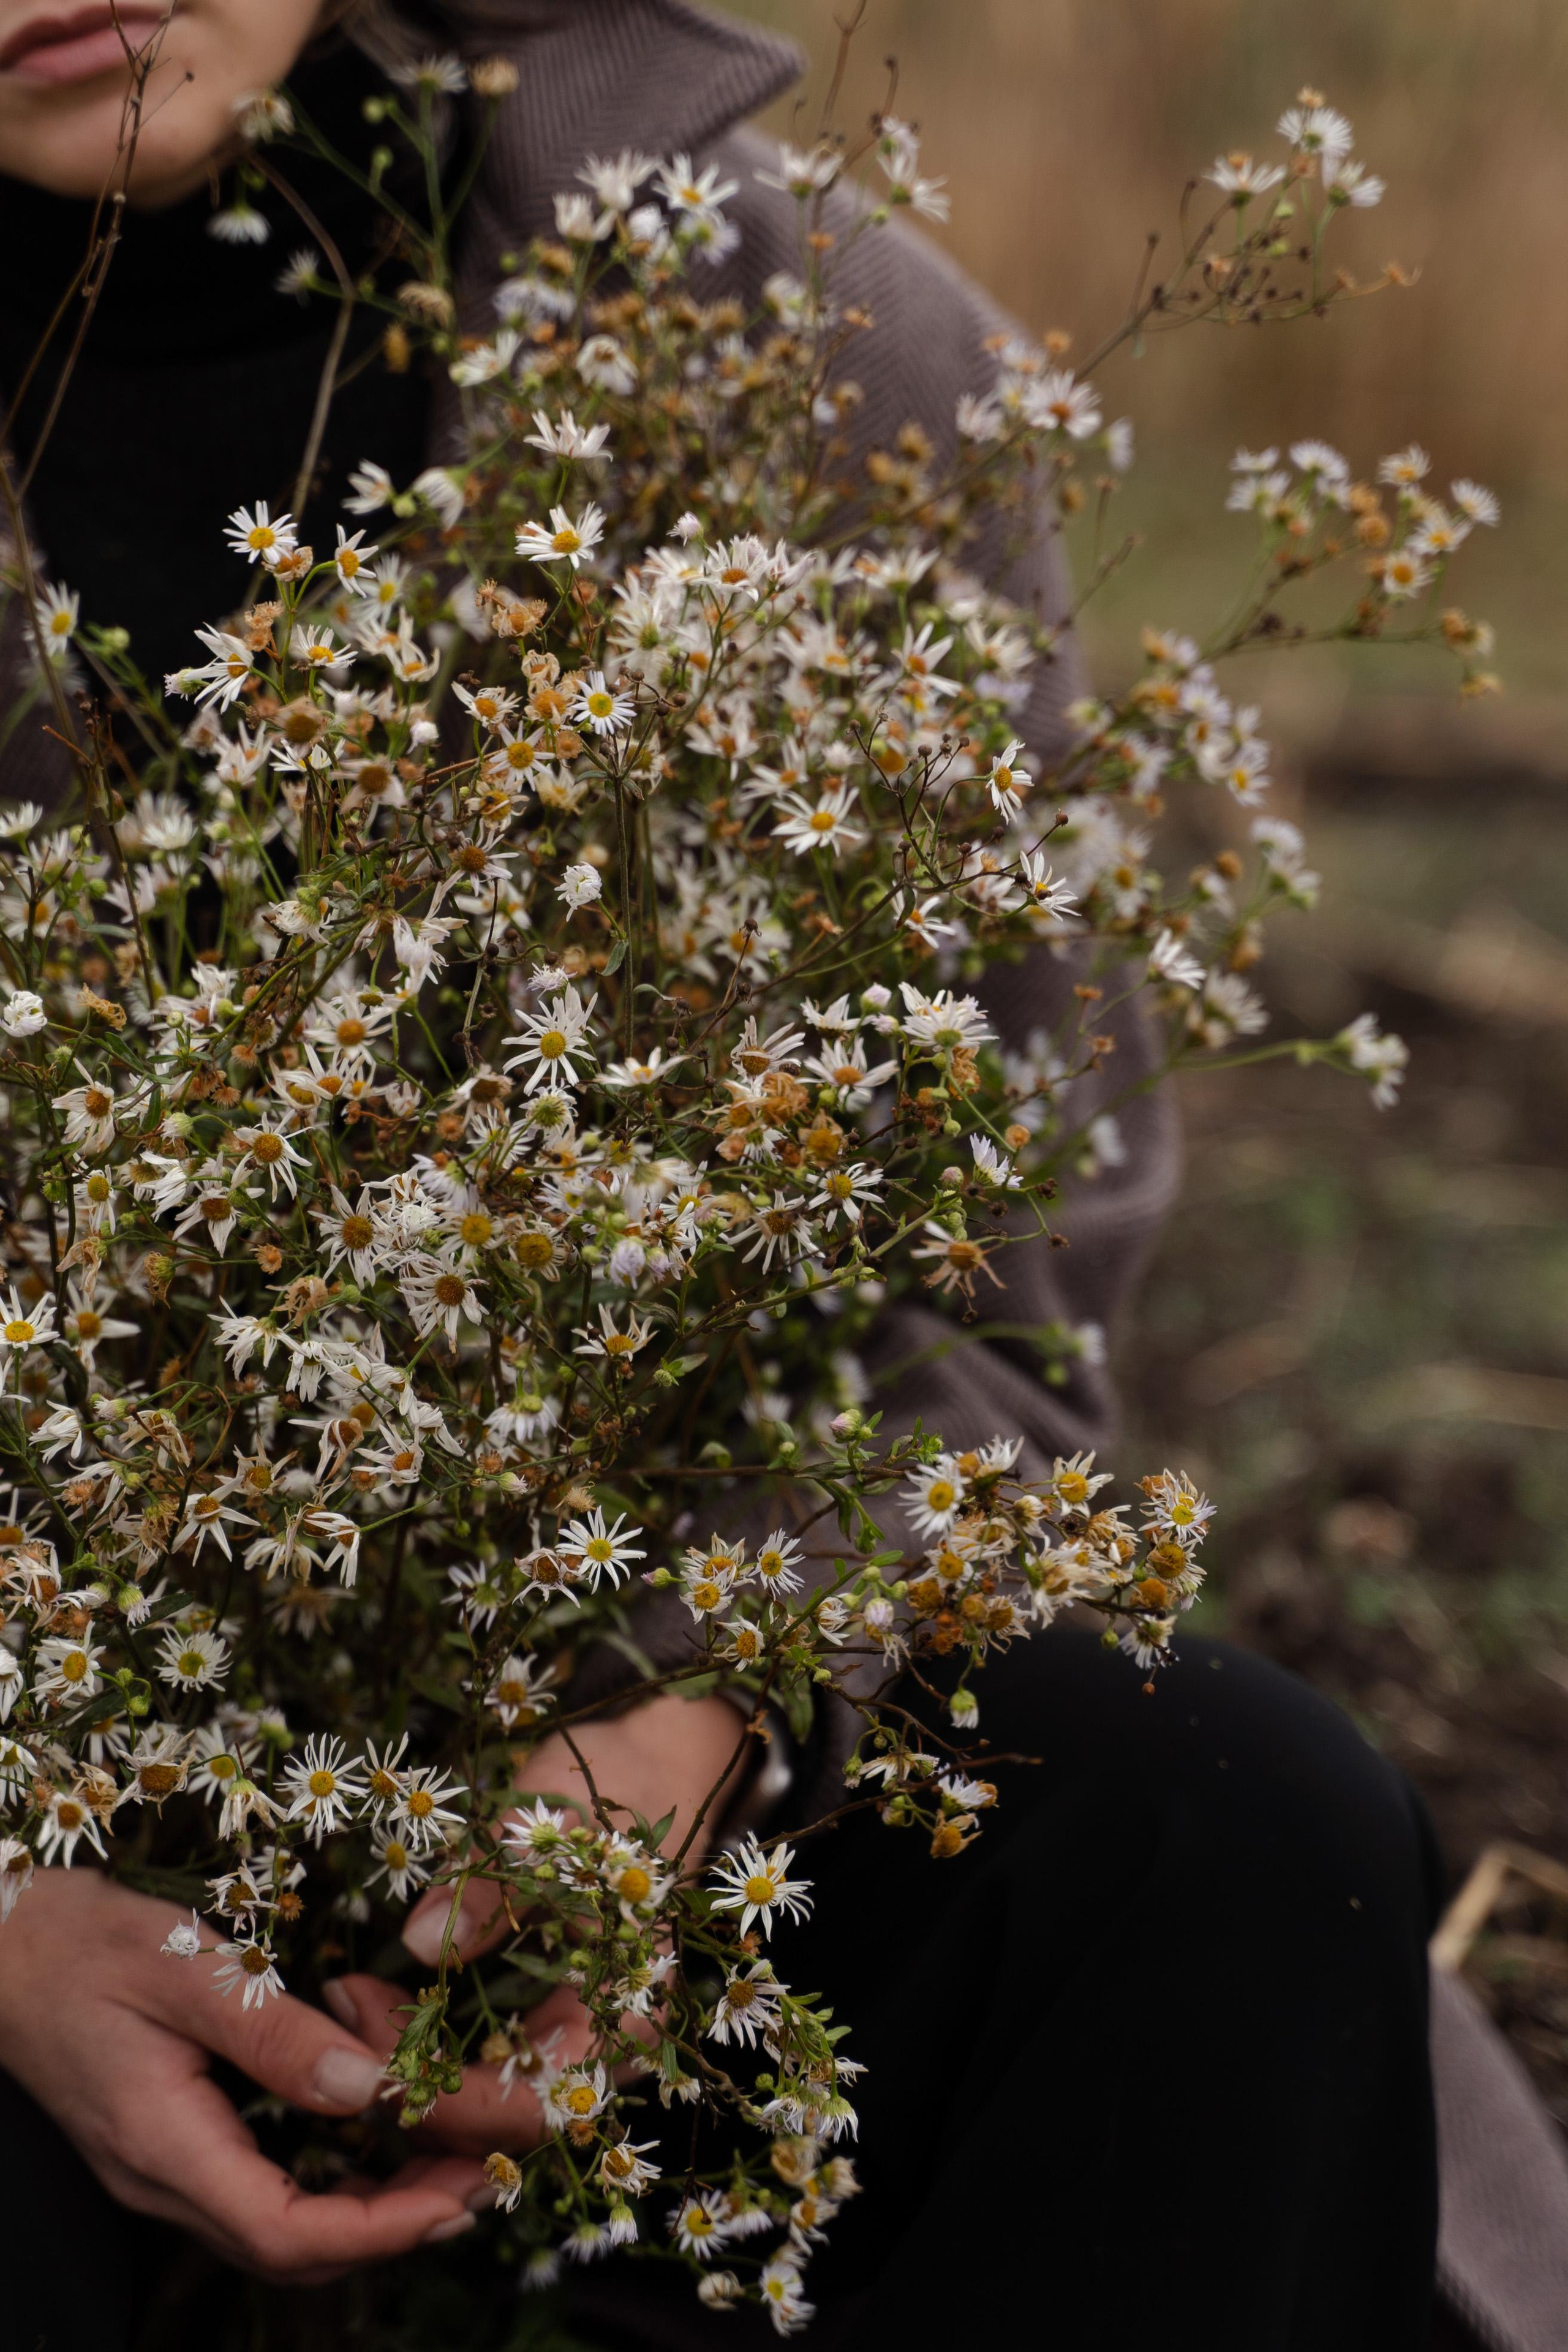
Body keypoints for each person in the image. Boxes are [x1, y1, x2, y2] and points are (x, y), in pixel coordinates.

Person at [0, 4, 1521, 2347]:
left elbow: (986, 1261)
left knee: (1232, 1835)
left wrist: (706, 1679)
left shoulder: (792, 339)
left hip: (616, 1776)